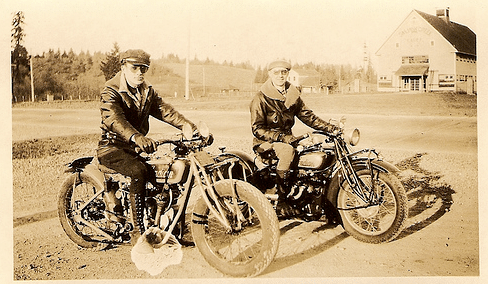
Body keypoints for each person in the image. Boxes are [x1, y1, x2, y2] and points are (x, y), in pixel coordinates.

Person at [97, 49, 197, 243]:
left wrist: (188, 126)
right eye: (134, 68)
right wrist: (135, 136)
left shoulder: (146, 91)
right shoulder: (111, 90)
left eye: (144, 69)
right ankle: (137, 231)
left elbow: (164, 110)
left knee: (164, 178)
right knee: (138, 171)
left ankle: (169, 228)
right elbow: (114, 119)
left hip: (134, 147)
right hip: (112, 147)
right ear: (123, 67)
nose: (139, 73)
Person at [250, 59, 338, 218]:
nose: (280, 75)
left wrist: (331, 128)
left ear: (287, 73)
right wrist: (281, 137)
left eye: (283, 72)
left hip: (287, 138)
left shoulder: (292, 94)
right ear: (270, 74)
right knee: (288, 152)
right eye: (276, 72)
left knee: (314, 151)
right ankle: (282, 202)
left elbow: (308, 117)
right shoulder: (261, 98)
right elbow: (257, 128)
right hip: (266, 142)